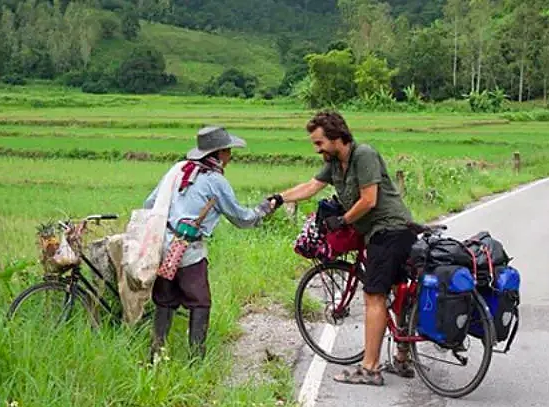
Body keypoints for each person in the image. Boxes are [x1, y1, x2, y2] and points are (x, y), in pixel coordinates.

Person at [268, 110, 416, 386]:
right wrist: (280, 197)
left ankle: (370, 368)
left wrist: (343, 220)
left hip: (390, 230)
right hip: (382, 233)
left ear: (337, 138)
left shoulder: (363, 155)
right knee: (398, 291)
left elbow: (369, 200)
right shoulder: (335, 163)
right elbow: (312, 186)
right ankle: (402, 358)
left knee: (374, 295)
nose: (316, 149)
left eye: (319, 143)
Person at [143, 126, 274, 361]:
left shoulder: (177, 169)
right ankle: (196, 359)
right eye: (228, 152)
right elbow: (241, 218)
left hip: (163, 247)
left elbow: (150, 202)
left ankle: (157, 353)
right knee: (200, 302)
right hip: (188, 251)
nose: (230, 157)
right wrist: (262, 211)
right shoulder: (215, 181)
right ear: (219, 154)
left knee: (164, 300)